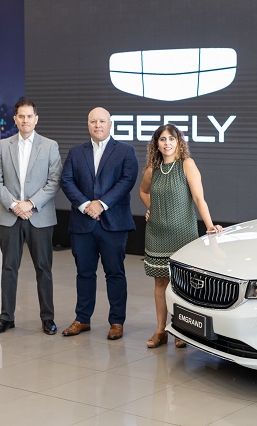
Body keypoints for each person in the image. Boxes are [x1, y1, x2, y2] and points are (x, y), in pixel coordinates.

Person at [139, 124, 222, 349]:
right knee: (160, 282)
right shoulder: (152, 169)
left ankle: (181, 330)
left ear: (179, 142)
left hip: (183, 234)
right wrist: (152, 208)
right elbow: (143, 191)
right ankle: (160, 331)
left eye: (171, 139)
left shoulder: (187, 164)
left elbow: (198, 198)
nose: (167, 143)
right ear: (156, 144)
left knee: (181, 284)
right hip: (156, 233)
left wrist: (209, 225)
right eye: (162, 139)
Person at [60, 107, 139, 340]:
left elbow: (127, 181)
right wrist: (86, 205)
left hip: (113, 224)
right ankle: (82, 319)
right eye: (93, 121)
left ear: (110, 124)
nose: (97, 125)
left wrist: (102, 204)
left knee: (115, 274)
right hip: (82, 224)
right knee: (84, 273)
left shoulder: (125, 151)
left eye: (102, 121)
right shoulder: (76, 152)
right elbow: (66, 180)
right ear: (88, 124)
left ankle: (116, 322)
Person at [0, 99, 62, 335]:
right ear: (15, 119)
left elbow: (54, 181)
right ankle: (6, 318)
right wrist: (14, 205)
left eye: (29, 116)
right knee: (8, 268)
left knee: (43, 269)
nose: (25, 120)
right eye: (21, 116)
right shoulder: (3, 146)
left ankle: (47, 318)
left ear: (36, 119)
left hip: (39, 216)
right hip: (10, 217)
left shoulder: (49, 146)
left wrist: (30, 204)